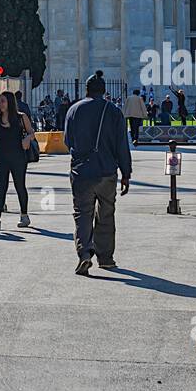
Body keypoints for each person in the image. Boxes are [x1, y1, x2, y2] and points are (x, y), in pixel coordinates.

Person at [64, 69, 132, 276]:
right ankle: (106, 258)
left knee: (82, 214)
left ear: (86, 90)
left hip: (82, 172)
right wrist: (126, 173)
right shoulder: (113, 111)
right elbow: (122, 145)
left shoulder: (73, 110)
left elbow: (68, 141)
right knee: (106, 213)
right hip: (106, 172)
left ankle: (84, 253)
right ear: (103, 91)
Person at [0, 90, 32, 230]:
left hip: (18, 157)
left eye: (3, 101)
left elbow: (31, 132)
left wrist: (28, 138)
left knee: (20, 186)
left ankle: (24, 215)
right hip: (2, 157)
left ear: (10, 102)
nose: (0, 104)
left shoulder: (21, 117)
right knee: (1, 187)